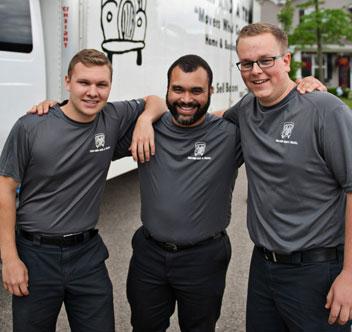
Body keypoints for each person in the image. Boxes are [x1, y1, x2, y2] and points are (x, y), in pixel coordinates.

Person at [0, 48, 165, 332]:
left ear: (110, 86)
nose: (93, 92)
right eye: (83, 83)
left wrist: (144, 120)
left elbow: (156, 101)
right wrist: (10, 259)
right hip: (36, 255)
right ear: (67, 82)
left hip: (87, 256)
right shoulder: (31, 126)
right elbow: (4, 189)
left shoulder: (112, 118)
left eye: (101, 84)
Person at [223, 23, 352, 331]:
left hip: (318, 272)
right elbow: (201, 121)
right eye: (246, 63)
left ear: (287, 61)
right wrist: (150, 114)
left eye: (266, 60)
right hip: (263, 269)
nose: (256, 71)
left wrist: (349, 275)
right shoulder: (246, 109)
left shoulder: (325, 110)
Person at [126, 54, 243, 332]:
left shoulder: (230, 135)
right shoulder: (147, 128)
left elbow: (272, 108)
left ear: (211, 92)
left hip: (204, 257)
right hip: (149, 255)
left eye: (196, 91)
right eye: (178, 89)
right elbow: (91, 113)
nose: (186, 99)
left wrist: (305, 87)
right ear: (167, 89)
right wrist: (51, 106)